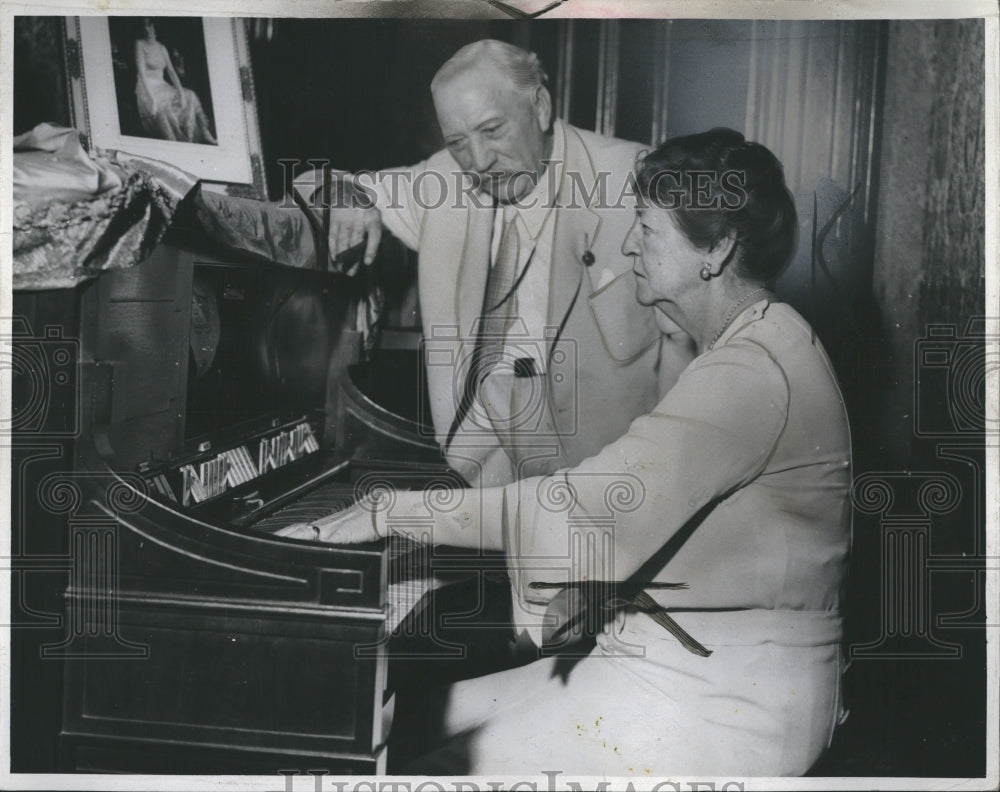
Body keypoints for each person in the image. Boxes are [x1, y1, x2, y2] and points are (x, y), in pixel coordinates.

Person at [279, 128, 853, 776]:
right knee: (399, 725)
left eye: (647, 227)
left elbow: (577, 510)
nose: (628, 245)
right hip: (672, 657)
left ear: (715, 249)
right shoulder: (755, 341)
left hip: (720, 698)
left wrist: (388, 514)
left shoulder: (749, 376)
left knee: (422, 770)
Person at [308, 39, 694, 489]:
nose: (479, 161)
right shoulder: (443, 180)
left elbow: (693, 346)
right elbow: (316, 182)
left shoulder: (634, 178)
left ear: (541, 106)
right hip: (483, 469)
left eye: (492, 130)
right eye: (458, 142)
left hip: (611, 474)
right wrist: (349, 196)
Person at [134, 18, 217, 145]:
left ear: (155, 28)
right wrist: (153, 100)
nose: (147, 29)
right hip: (147, 88)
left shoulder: (162, 48)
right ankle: (176, 143)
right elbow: (142, 74)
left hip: (162, 86)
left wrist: (181, 94)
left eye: (150, 26)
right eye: (145, 26)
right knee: (163, 110)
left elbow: (171, 72)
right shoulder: (139, 44)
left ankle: (204, 134)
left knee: (190, 95)